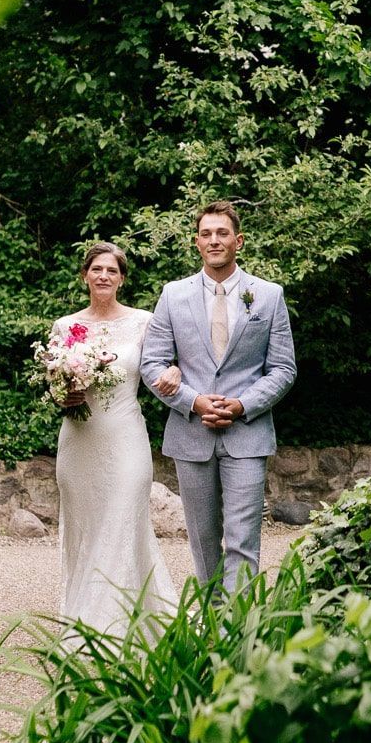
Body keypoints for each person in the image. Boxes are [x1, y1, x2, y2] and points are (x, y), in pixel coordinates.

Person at [141, 201, 297, 593]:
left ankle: (239, 629)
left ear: (238, 240)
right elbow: (152, 363)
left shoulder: (268, 295)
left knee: (243, 538)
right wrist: (193, 400)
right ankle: (212, 630)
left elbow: (283, 369)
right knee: (203, 541)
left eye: (222, 233)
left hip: (247, 433)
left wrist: (243, 404)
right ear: (197, 242)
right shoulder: (173, 295)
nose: (214, 240)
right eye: (207, 234)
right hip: (191, 433)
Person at [49, 240, 179, 640]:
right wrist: (61, 395)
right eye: (97, 269)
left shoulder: (144, 321)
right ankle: (86, 621)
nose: (104, 276)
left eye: (112, 270)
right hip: (78, 441)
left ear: (122, 278)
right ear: (85, 275)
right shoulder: (64, 326)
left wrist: (174, 370)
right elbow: (55, 389)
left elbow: (172, 359)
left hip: (125, 437)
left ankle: (116, 629)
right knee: (87, 529)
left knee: (123, 522)